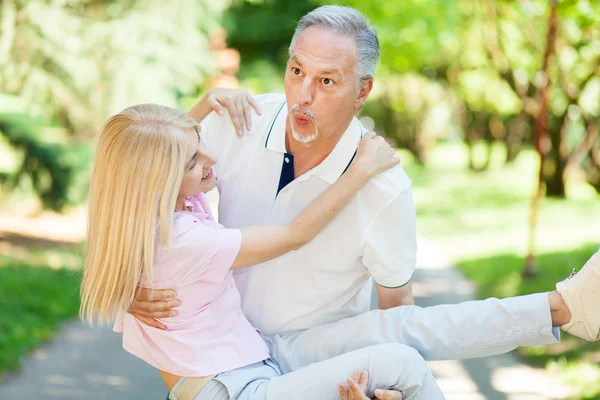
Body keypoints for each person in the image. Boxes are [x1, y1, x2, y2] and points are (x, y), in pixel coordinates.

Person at [130, 5, 600, 399]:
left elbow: (399, 311)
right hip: (226, 360)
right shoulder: (236, 122)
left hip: (312, 351)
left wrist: (386, 390)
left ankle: (564, 308)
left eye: (328, 81)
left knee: (404, 341)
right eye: (297, 71)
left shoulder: (385, 189)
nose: (303, 96)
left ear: (363, 92)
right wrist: (128, 293)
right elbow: (135, 205)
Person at [79, 100, 446, 399]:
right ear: (164, 179)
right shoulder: (185, 238)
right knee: (404, 365)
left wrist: (206, 105)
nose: (210, 158)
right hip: (229, 389)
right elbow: (293, 235)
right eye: (193, 161)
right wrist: (361, 169)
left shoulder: (158, 210)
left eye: (201, 142)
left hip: (234, 375)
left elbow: (147, 150)